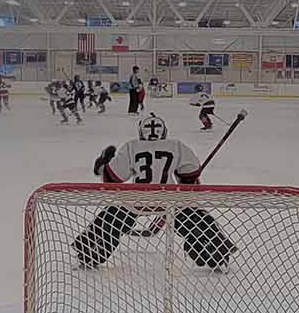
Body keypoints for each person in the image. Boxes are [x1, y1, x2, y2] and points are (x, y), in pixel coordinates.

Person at [74, 114, 231, 271]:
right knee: (194, 218)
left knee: (111, 218)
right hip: (168, 198)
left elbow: (113, 178)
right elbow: (191, 172)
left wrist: (105, 168)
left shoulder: (131, 146)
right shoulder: (176, 145)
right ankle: (213, 248)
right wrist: (187, 184)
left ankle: (91, 249)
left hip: (137, 199)